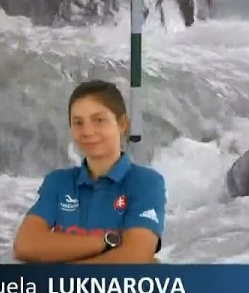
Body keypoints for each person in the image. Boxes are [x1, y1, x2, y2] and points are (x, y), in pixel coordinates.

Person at [12, 80, 166, 264]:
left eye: (99, 120)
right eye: (78, 122)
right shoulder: (59, 182)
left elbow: (136, 256)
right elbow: (26, 245)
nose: (87, 131)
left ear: (122, 123)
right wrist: (106, 242)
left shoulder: (145, 182)